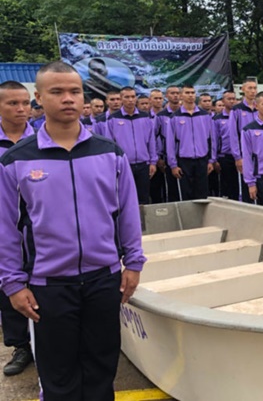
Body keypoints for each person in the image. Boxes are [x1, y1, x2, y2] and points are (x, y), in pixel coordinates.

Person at [0, 62, 145, 399]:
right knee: (58, 375)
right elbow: (6, 228)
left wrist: (134, 262)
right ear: (38, 98)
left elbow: (127, 213)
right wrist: (12, 283)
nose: (68, 98)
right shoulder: (17, 161)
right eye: (57, 91)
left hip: (103, 280)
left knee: (101, 369)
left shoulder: (109, 153)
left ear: (83, 97)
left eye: (75, 91)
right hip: (48, 285)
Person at [0, 81, 34, 376]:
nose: (21, 109)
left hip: (37, 225)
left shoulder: (41, 140)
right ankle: (20, 345)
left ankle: (43, 338)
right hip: (4, 224)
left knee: (40, 281)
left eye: (25, 103)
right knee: (9, 281)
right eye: (13, 103)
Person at [104, 86, 157, 204]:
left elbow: (151, 140)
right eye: (127, 97)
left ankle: (143, 217)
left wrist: (153, 162)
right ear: (121, 98)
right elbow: (109, 143)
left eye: (133, 97)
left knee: (143, 197)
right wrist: (114, 164)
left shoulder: (145, 117)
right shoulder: (113, 119)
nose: (130, 100)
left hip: (143, 164)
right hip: (124, 165)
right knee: (126, 198)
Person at [166, 85, 217, 200]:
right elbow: (170, 143)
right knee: (186, 195)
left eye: (192, 93)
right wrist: (173, 164)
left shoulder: (205, 115)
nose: (190, 95)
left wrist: (211, 160)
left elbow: (212, 139)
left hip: (202, 160)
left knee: (202, 195)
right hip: (184, 161)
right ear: (181, 96)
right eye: (187, 93)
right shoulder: (174, 117)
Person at [229, 79, 259, 203]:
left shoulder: (260, 108)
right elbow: (233, 134)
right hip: (245, 154)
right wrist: (237, 156)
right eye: (249, 88)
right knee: (247, 188)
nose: (252, 91)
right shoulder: (237, 109)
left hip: (260, 154)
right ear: (243, 89)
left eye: (254, 88)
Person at [154, 86, 182, 202]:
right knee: (171, 190)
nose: (175, 95)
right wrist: (157, 157)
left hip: (185, 157)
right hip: (167, 158)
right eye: (172, 93)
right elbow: (154, 137)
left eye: (177, 93)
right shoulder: (161, 116)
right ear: (166, 96)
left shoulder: (186, 114)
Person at [214, 91, 238, 200]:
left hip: (239, 157)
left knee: (238, 186)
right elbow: (214, 140)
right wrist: (214, 159)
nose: (232, 101)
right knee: (226, 186)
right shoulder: (217, 119)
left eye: (234, 99)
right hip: (224, 156)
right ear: (223, 101)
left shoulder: (239, 117)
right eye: (229, 99)